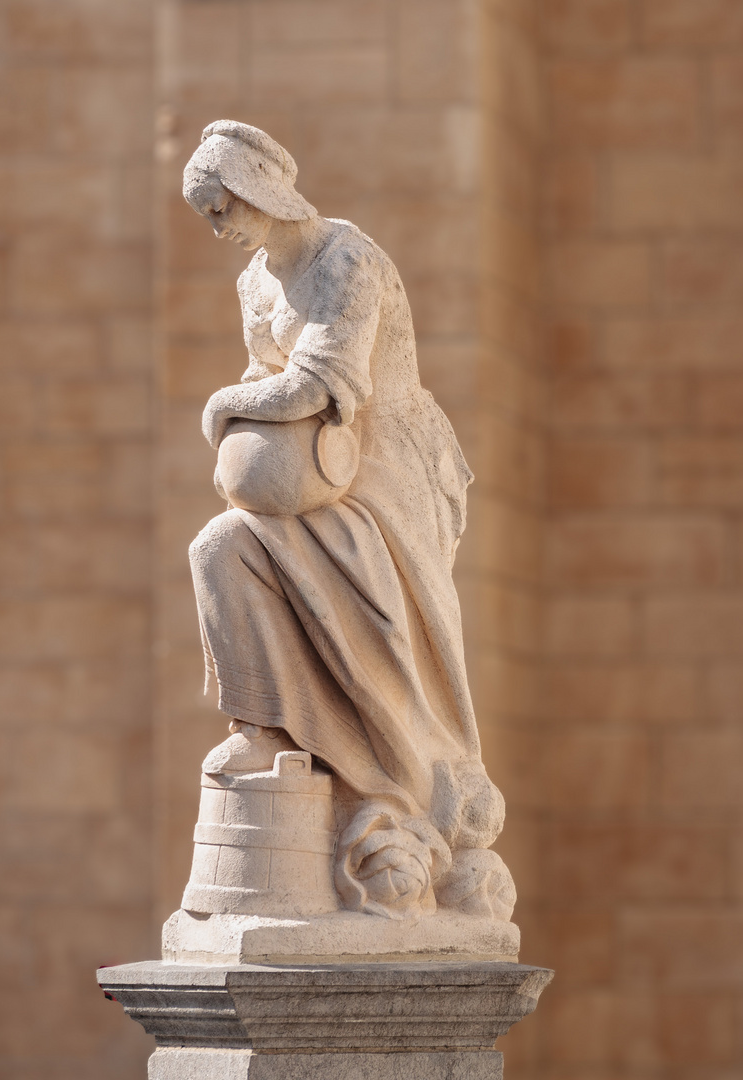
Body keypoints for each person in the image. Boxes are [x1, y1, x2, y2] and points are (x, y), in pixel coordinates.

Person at [181, 121, 512, 921]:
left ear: (259, 189)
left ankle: (409, 779)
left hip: (379, 473)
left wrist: (222, 409)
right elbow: (270, 377)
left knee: (386, 631)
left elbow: (317, 384)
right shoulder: (254, 282)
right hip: (301, 484)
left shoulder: (347, 261)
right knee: (217, 547)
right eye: (210, 216)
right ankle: (262, 726)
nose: (220, 228)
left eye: (224, 206)